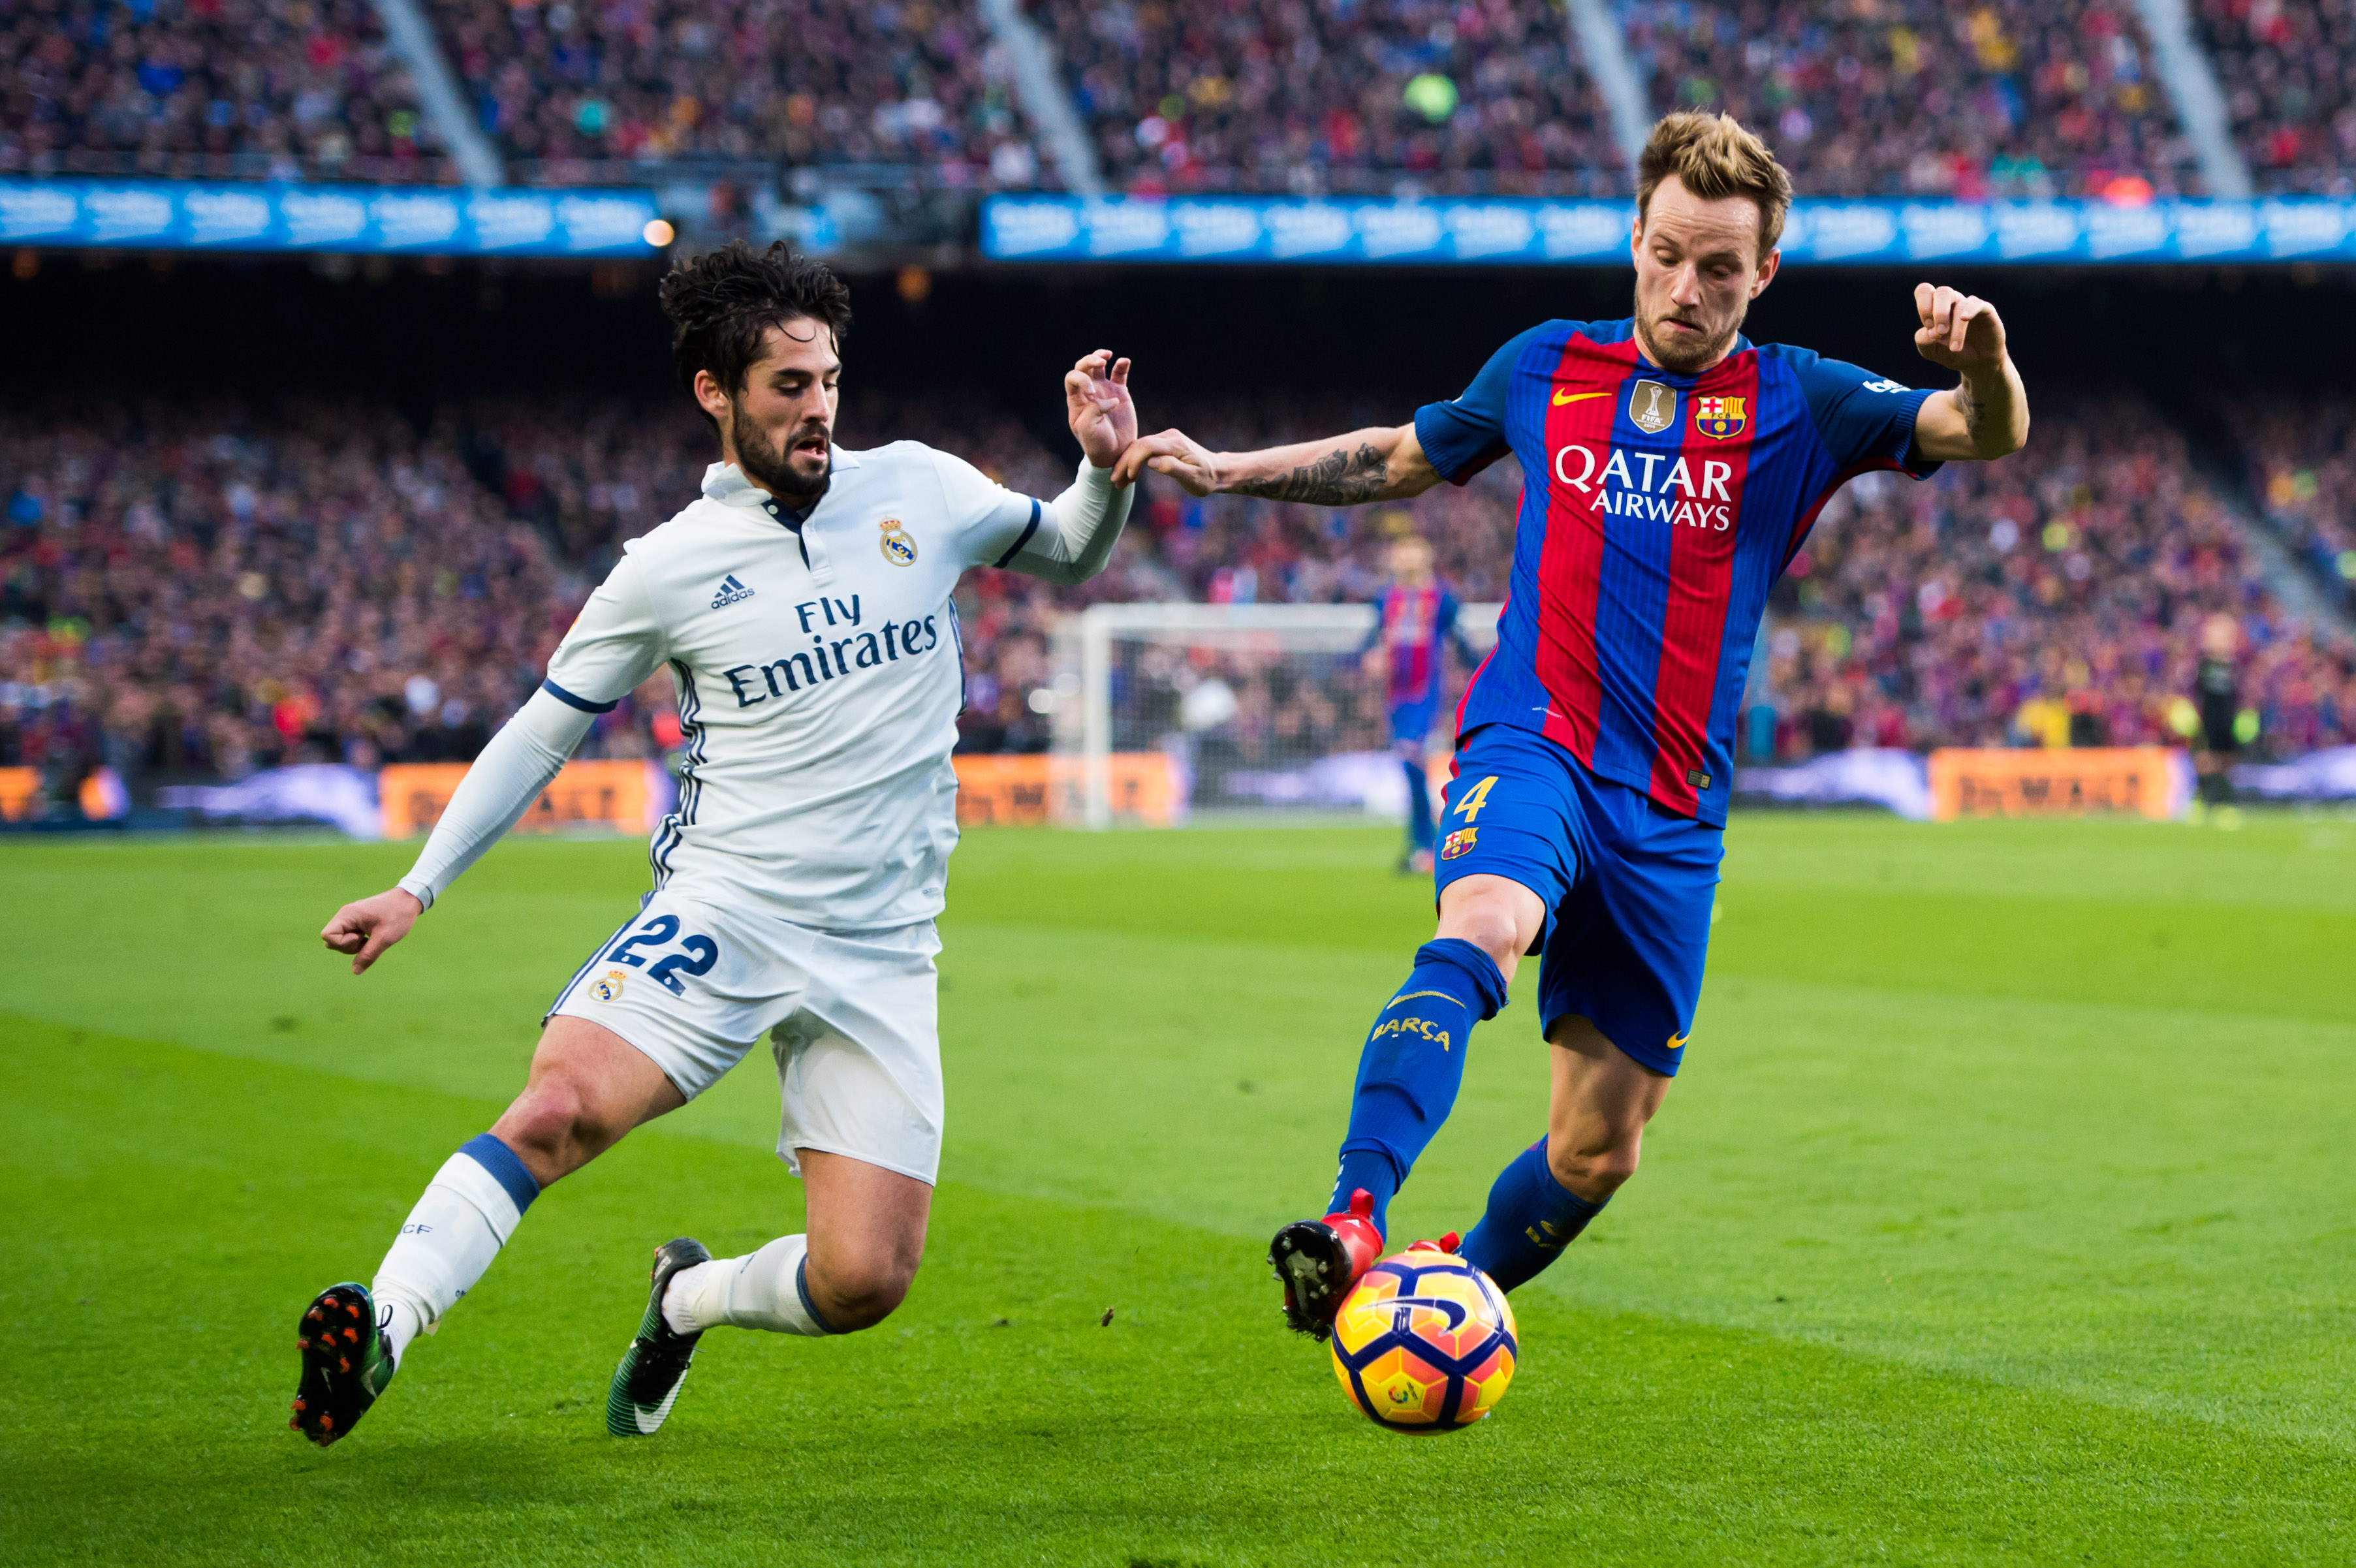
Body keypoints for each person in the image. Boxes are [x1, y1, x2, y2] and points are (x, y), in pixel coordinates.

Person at [1114, 111, 2029, 1337]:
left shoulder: (1801, 399)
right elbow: (1395, 457)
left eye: (1719, 269)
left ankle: (1437, 1290)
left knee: (1597, 1152)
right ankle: (1349, 1216)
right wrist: (1222, 471)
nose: (1686, 289)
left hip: (1667, 809)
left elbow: (1984, 431)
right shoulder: (1545, 365)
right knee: (1484, 920)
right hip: (1533, 740)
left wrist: (1981, 359)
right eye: (1666, 254)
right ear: (1633, 240)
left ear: (1762, 273)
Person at [292, 240, 1141, 1445]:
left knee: (863, 1282)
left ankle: (682, 1298)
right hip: (727, 909)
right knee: (555, 1109)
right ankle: (381, 1325)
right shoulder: (665, 568)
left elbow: (1068, 545)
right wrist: (418, 886)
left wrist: (1100, 469)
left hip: (883, 946)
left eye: (828, 380)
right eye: (787, 387)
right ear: (715, 392)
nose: (818, 410)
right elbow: (542, 735)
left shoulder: (919, 487)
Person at [1360, 535, 1478, 873]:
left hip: (1425, 693)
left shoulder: (1442, 598)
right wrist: (1367, 656)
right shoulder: (1386, 598)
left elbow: (1461, 641)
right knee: (1410, 768)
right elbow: (1372, 638)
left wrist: (1485, 672)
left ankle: (1426, 843)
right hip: (1394, 695)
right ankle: (1428, 845)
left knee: (1412, 759)